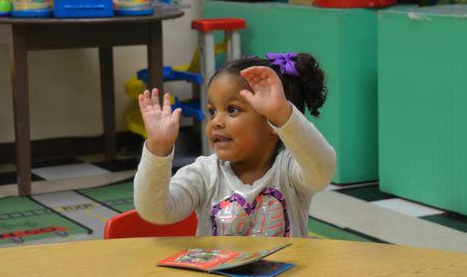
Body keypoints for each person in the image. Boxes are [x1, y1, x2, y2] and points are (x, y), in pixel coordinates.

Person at [134, 52, 336, 237]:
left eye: (232, 109)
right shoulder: (204, 174)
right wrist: (158, 148)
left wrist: (283, 114)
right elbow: (155, 212)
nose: (216, 121)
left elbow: (322, 171)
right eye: (212, 111)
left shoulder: (290, 171)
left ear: (271, 121)